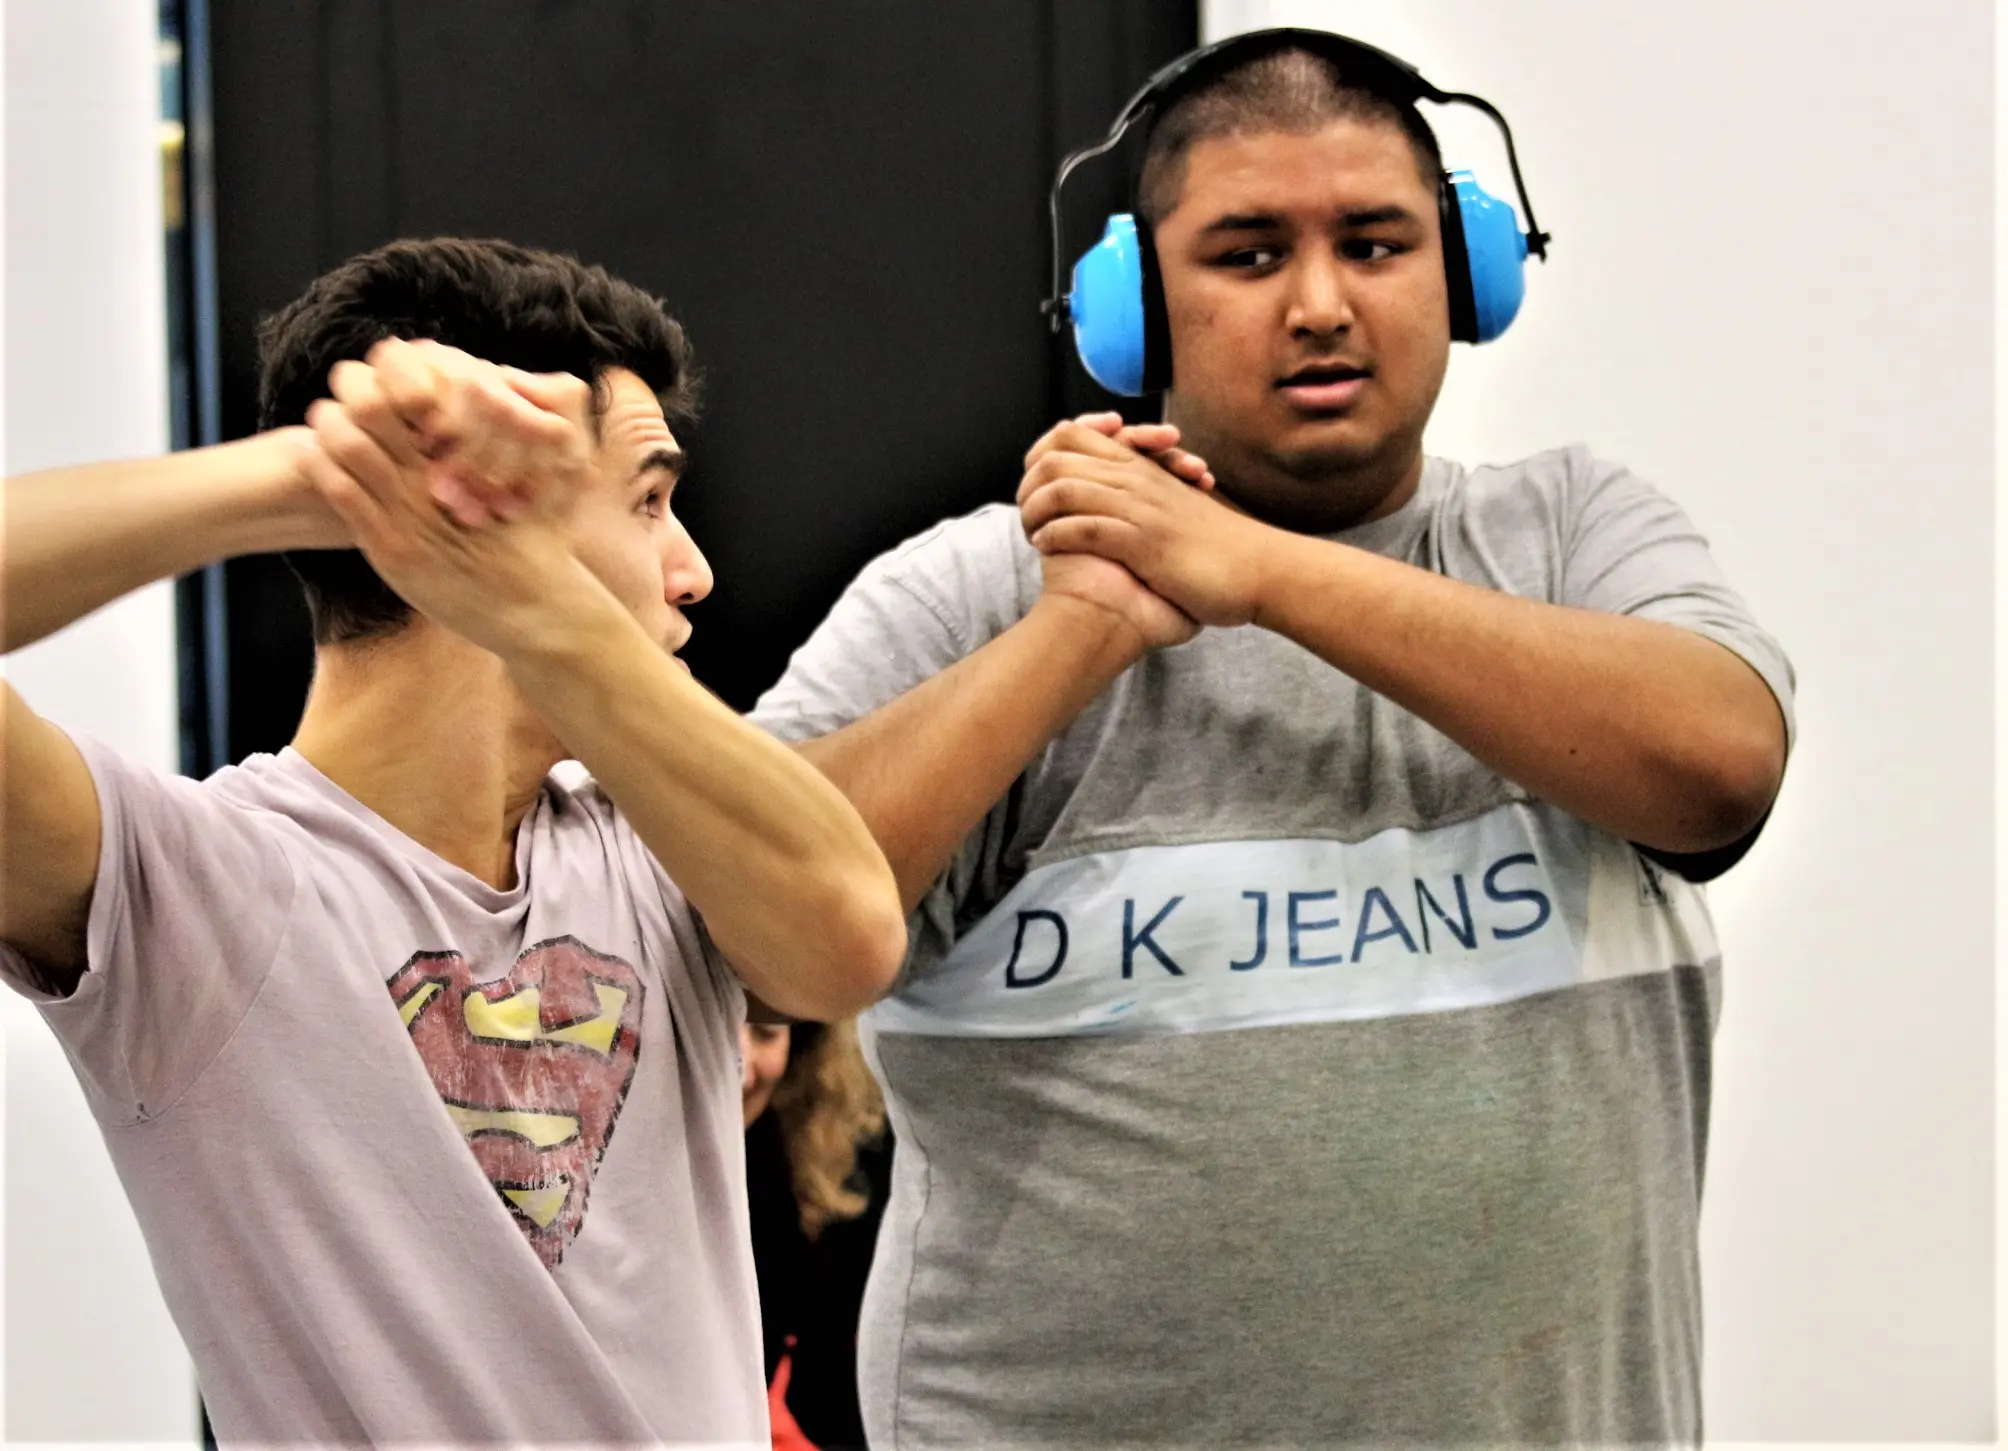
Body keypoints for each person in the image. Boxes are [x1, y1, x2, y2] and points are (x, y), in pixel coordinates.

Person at [746, 31, 1795, 1449]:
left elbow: (1719, 764)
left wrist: (1262, 571)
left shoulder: (1571, 534)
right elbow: (762, 914)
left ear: (1466, 279)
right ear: (1136, 311)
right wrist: (1087, 625)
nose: (1319, 304)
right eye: (1247, 254)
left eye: (1376, 244)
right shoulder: (987, 589)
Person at [0, 237, 906, 1446]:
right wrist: (322, 478)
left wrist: (539, 610)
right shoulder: (192, 884)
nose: (692, 570)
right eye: (648, 500)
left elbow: (847, 943)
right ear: (482, 508)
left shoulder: (657, 834)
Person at [739, 1018, 890, 1451]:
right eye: (711, 1027)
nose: (741, 1067)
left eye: (766, 1032)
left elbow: (824, 1385)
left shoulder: (796, 1172)